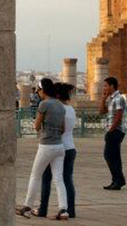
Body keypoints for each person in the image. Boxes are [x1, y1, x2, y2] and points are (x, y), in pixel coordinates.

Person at [16, 79, 70, 219]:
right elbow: (63, 128)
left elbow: (36, 125)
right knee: (58, 179)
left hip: (46, 145)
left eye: (39, 90)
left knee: (35, 176)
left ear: (43, 90)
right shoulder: (60, 105)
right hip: (59, 146)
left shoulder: (43, 104)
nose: (38, 93)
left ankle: (27, 206)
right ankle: (63, 209)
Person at [36, 83, 77, 218]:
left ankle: (42, 209)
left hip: (56, 145)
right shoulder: (71, 109)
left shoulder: (57, 109)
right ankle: (69, 210)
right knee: (67, 180)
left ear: (57, 95)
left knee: (46, 179)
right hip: (70, 147)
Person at [99, 76, 127, 190]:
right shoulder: (111, 98)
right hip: (112, 130)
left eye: (106, 85)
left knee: (109, 155)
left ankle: (118, 179)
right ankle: (118, 180)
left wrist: (110, 130)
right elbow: (102, 112)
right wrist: (103, 99)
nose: (104, 88)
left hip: (116, 130)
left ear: (112, 86)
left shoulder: (119, 98)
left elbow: (119, 116)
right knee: (114, 156)